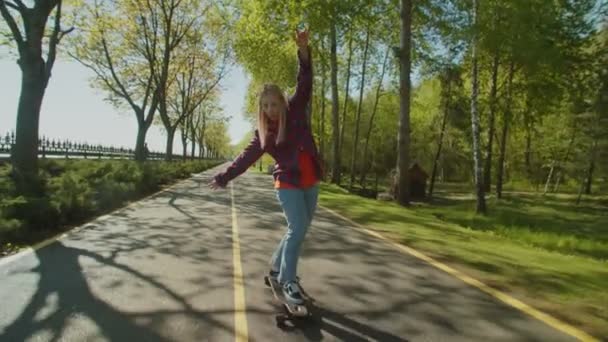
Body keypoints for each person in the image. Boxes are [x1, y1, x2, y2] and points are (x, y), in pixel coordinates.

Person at [208, 28, 322, 305]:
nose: (270, 109)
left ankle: (274, 266)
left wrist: (303, 50)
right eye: (265, 106)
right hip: (287, 183)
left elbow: (305, 80)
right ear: (261, 108)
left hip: (310, 179)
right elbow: (245, 158)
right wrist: (225, 176)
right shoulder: (264, 134)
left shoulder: (295, 109)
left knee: (300, 229)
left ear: (283, 101)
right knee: (297, 229)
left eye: (274, 103)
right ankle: (288, 281)